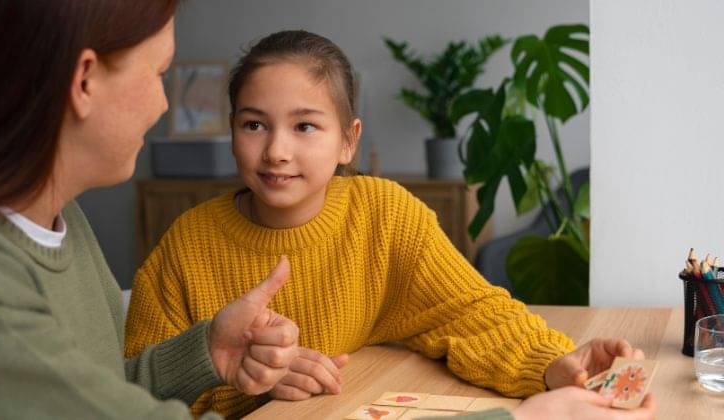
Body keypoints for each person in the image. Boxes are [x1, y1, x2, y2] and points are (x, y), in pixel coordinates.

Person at [125, 30, 656, 419]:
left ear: (348, 140)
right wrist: (250, 385)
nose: (276, 151)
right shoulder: (186, 245)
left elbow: (472, 313)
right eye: (254, 124)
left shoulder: (383, 214)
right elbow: (127, 395)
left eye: (305, 125)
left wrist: (555, 365)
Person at [0, 1, 300, 418]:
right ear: (84, 80)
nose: (162, 105)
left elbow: (91, 395)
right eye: (159, 74)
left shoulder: (58, 214)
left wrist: (208, 351)